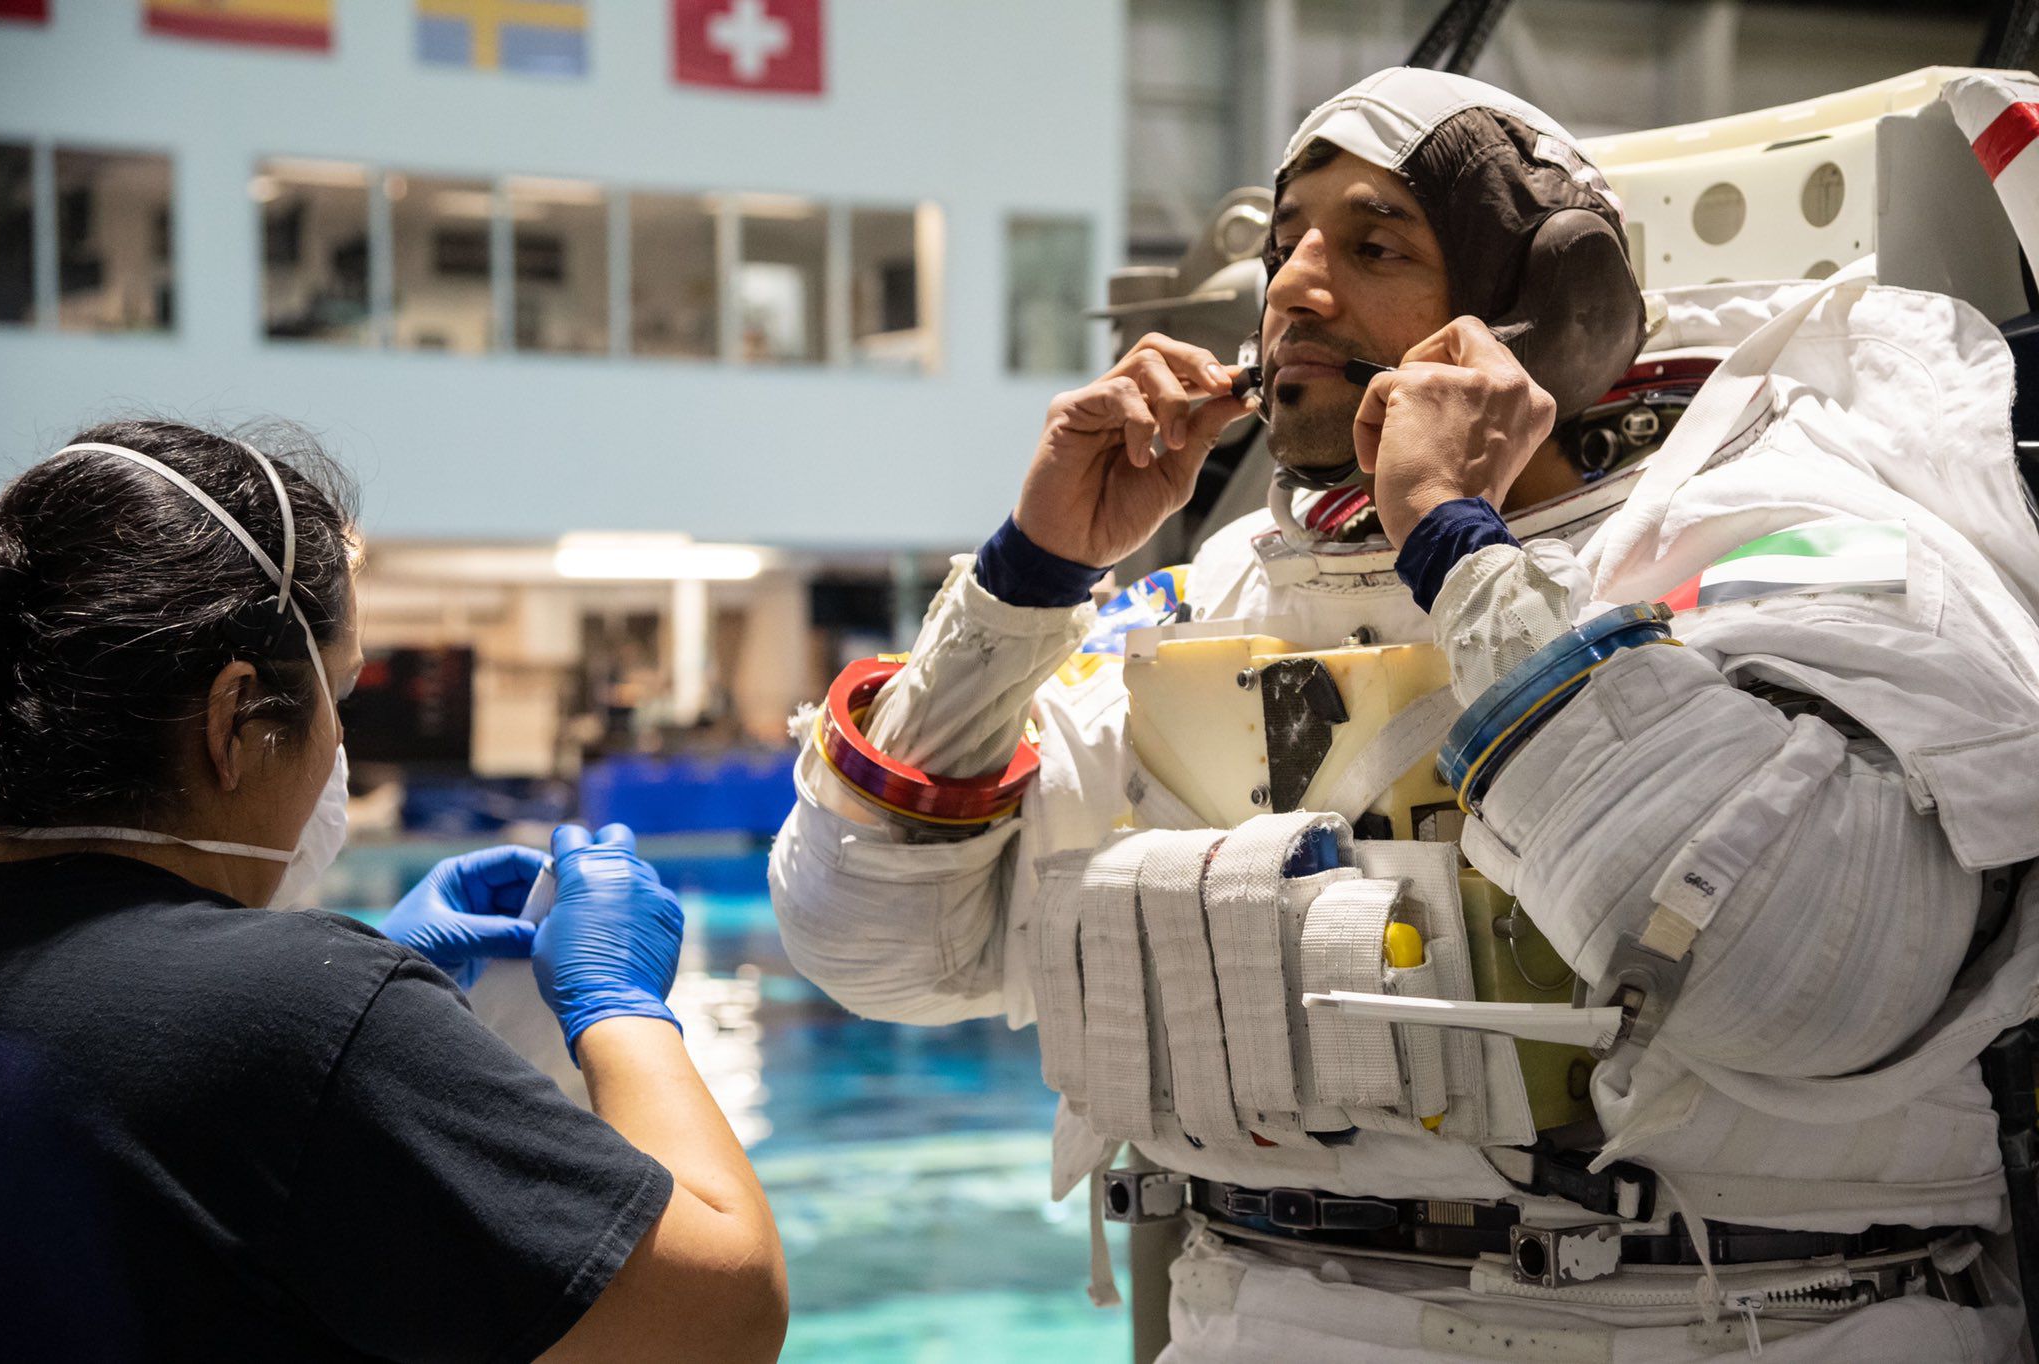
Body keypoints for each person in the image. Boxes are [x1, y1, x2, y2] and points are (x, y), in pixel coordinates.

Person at [771, 67, 2039, 1360]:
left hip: (1739, 1323)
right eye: (1285, 245)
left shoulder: (1778, 533)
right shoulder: (1224, 595)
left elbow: (1806, 970)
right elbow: (875, 947)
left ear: (1548, 306)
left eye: (1373, 246)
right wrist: (1031, 573)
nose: (1294, 288)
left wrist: (1454, 543)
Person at [0, 419, 787, 1363]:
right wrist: (618, 1007)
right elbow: (725, 1313)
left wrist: (379, 1006)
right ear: (235, 718)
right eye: (340, 696)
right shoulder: (294, 1016)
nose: (339, 744)